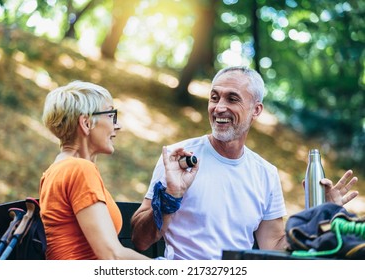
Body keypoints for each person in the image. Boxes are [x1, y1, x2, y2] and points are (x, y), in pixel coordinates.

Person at [130, 66, 359, 260]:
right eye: (214, 97)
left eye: (232, 99)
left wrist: (320, 214)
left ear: (256, 110)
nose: (219, 107)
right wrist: (171, 196)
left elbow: (274, 248)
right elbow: (140, 240)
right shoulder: (177, 159)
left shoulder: (266, 174)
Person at [39, 81, 198, 260]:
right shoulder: (80, 169)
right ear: (86, 123)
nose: (118, 125)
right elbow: (112, 255)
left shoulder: (56, 170)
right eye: (111, 115)